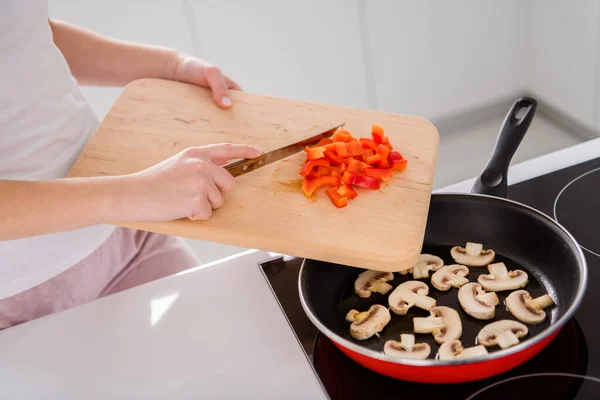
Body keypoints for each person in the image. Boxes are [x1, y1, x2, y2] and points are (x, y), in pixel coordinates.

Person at [0, 1, 262, 329]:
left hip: (123, 235)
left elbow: (26, 32)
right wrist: (138, 193)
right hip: (12, 305)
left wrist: (172, 65)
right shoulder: (132, 196)